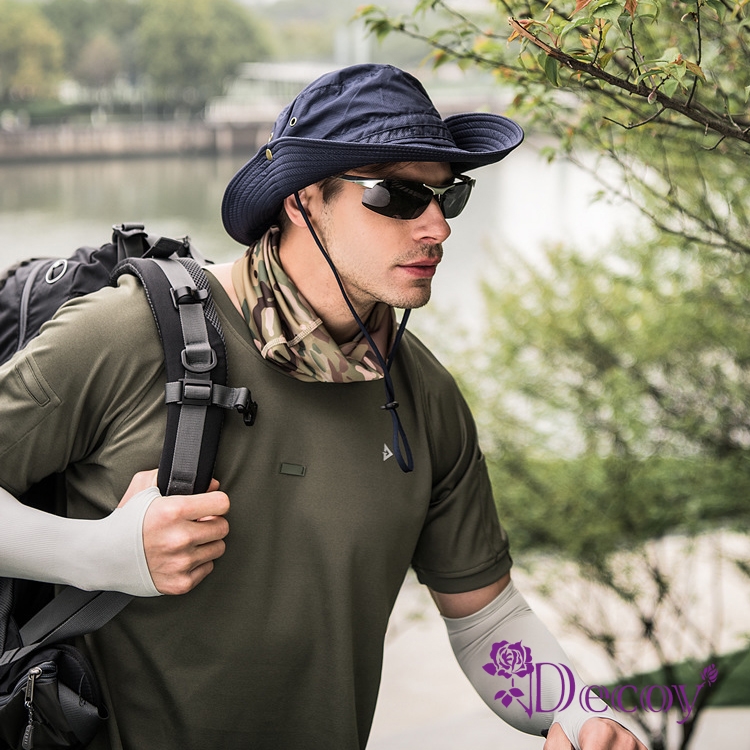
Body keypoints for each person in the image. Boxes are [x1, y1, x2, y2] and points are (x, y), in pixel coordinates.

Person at [0, 64, 646, 750]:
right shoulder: (128, 332)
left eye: (447, 196)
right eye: (398, 195)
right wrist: (101, 555)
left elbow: (486, 621)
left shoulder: (426, 397)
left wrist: (579, 713)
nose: (437, 227)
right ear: (304, 200)